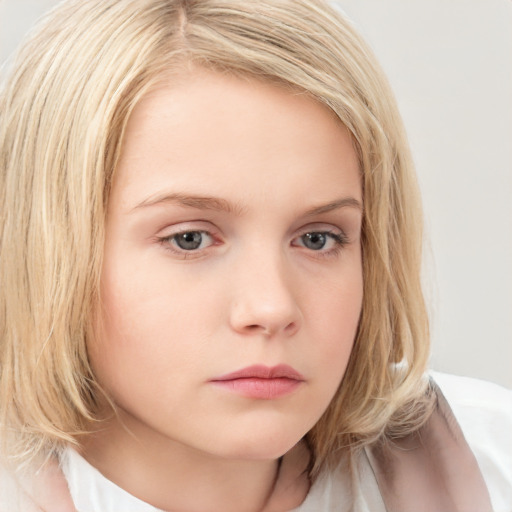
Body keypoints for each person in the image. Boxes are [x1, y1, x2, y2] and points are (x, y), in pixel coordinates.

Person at [0, 0, 510, 510]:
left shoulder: (489, 460)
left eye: (318, 238)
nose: (272, 308)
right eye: (190, 239)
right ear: (49, 248)